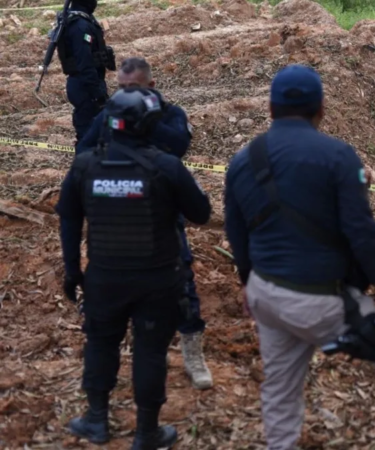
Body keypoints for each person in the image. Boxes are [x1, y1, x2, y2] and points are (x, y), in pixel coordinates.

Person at [223, 64, 375, 450]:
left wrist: (248, 284)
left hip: (265, 293)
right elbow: (360, 229)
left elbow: (236, 232)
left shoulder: (242, 160)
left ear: (270, 108)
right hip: (320, 300)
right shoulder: (338, 156)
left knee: (281, 385)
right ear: (322, 109)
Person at [55, 87, 212, 449]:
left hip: (104, 277)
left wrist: (72, 271)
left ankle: (96, 419)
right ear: (147, 125)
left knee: (100, 343)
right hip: (157, 279)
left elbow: (68, 220)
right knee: (151, 352)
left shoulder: (84, 166)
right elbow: (201, 214)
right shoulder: (166, 166)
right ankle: (146, 433)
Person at [75, 57, 214, 391]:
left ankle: (192, 353)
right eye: (121, 89)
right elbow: (83, 151)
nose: (125, 96)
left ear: (151, 87)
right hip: (115, 215)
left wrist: (144, 123)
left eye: (133, 89)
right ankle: (145, 350)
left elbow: (178, 147)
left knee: (182, 280)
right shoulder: (108, 114)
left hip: (160, 215)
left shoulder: (169, 113)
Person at [55, 0, 115, 143]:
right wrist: (97, 93)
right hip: (85, 86)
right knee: (88, 131)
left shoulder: (83, 19)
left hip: (88, 83)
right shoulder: (80, 26)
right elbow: (85, 63)